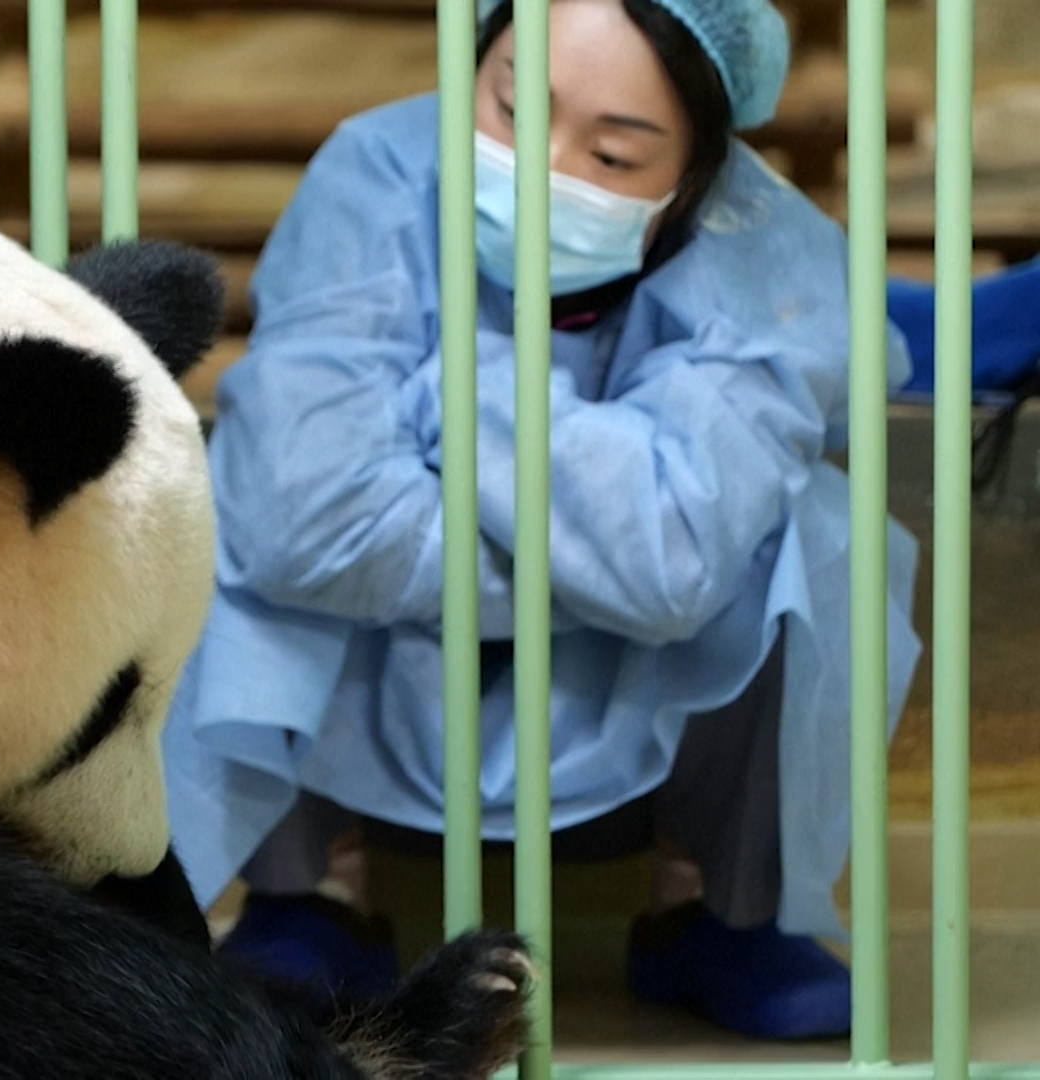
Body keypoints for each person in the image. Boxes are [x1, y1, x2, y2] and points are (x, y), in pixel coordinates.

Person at [158, 0, 924, 1042]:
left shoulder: (769, 249)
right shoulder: (377, 172)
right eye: (514, 107)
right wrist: (592, 553)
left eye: (613, 155)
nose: (543, 170)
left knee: (820, 528)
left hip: (654, 718)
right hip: (372, 692)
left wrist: (456, 397)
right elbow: (306, 516)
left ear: (705, 166)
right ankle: (307, 893)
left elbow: (684, 559)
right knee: (222, 478)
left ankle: (720, 909)